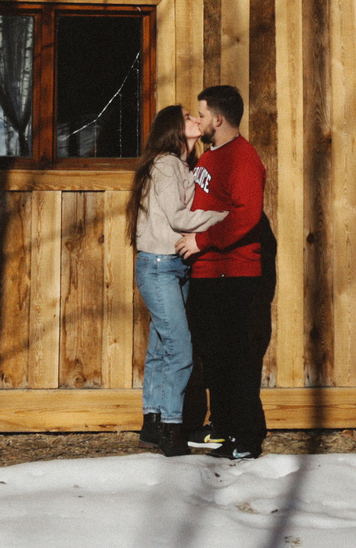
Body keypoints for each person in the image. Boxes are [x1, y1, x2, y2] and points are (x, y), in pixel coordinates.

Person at [174, 82, 270, 461]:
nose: (198, 120)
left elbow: (246, 215)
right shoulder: (210, 156)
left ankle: (245, 438)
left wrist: (202, 241)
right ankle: (222, 427)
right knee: (214, 357)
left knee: (234, 358)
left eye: (201, 114)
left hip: (233, 272)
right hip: (207, 273)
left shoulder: (243, 158)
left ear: (218, 118)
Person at [129, 103, 223, 455]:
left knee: (160, 347)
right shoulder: (167, 165)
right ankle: (171, 430)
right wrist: (224, 217)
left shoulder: (182, 165)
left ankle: (152, 424)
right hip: (159, 265)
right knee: (181, 350)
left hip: (173, 266)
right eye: (187, 117)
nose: (196, 119)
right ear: (173, 128)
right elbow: (180, 217)